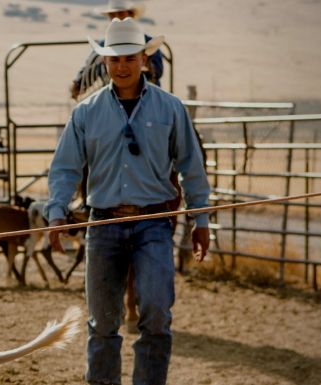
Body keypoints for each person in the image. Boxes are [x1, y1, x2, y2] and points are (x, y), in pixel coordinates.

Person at [46, 18, 211, 385]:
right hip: (103, 224)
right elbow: (65, 169)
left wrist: (202, 219)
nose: (121, 66)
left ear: (144, 60)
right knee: (103, 321)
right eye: (114, 59)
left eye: (129, 58)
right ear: (105, 61)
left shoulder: (170, 108)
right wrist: (56, 213)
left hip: (153, 223)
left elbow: (191, 165)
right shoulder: (86, 113)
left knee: (155, 313)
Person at [69, 0, 165, 100]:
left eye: (120, 13)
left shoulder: (146, 42)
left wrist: (146, 67)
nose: (116, 17)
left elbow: (158, 71)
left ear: (131, 14)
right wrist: (78, 85)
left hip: (148, 98)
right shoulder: (104, 45)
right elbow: (89, 68)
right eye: (112, 15)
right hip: (112, 100)